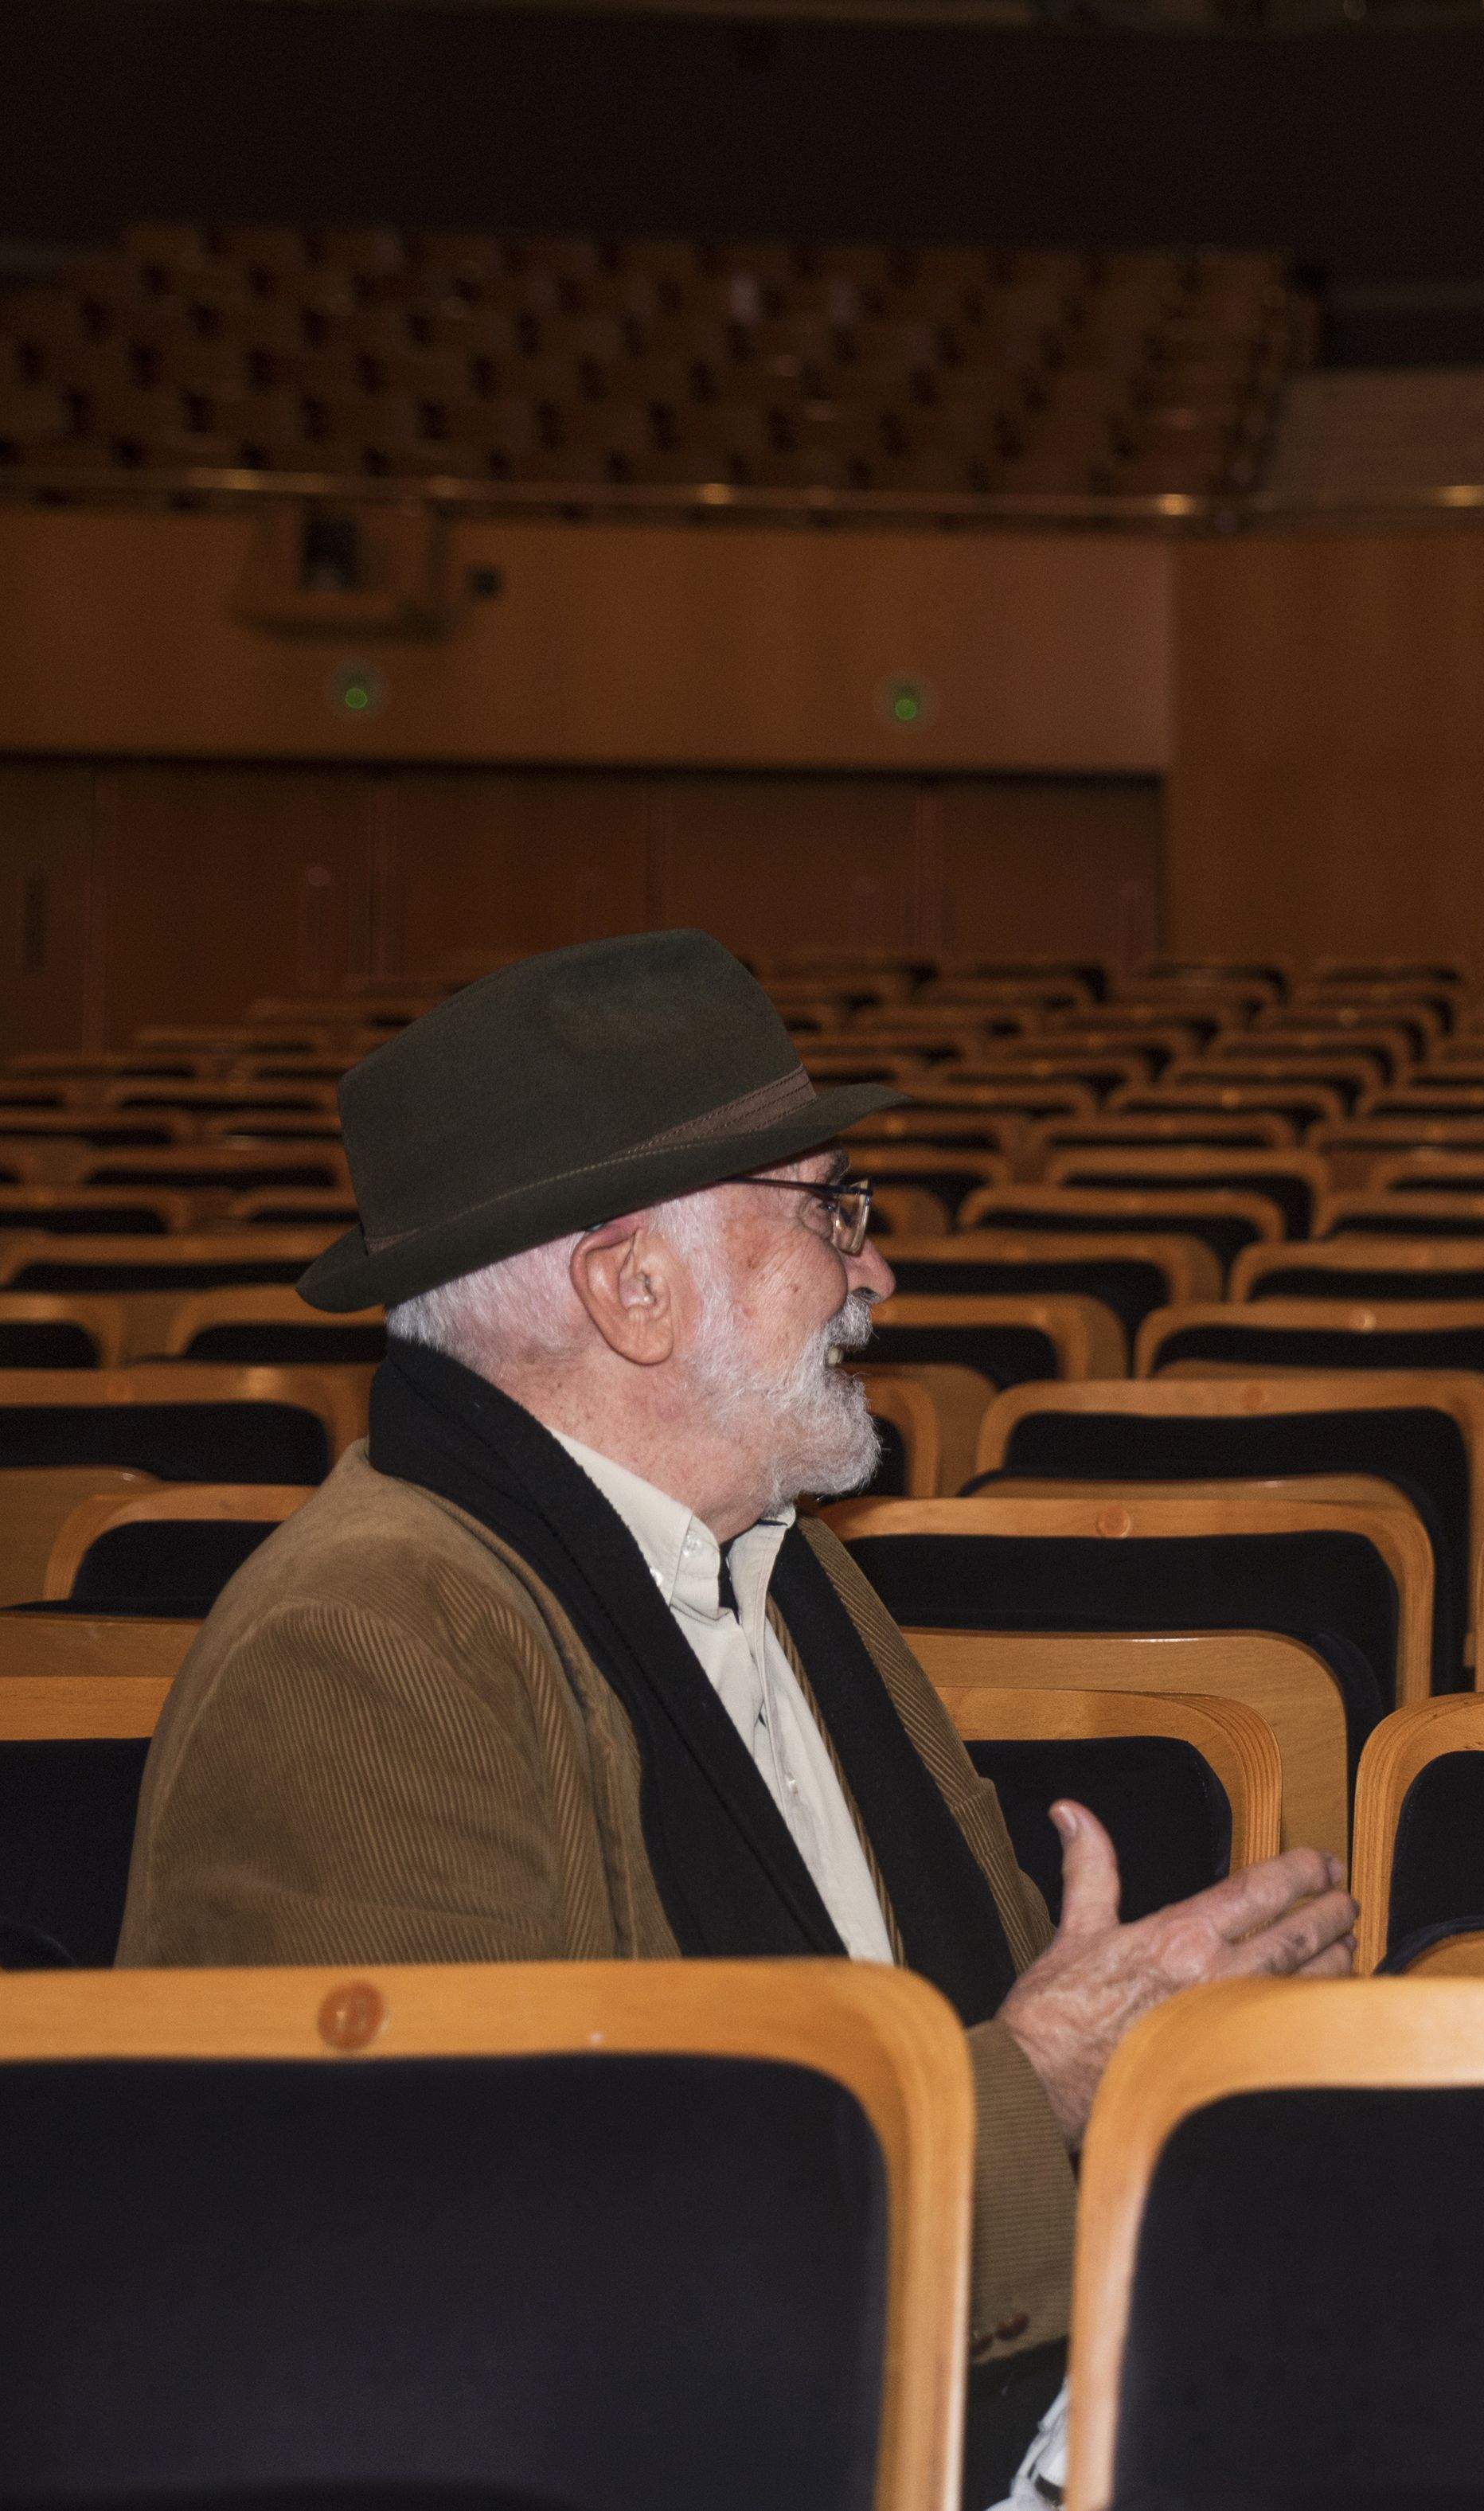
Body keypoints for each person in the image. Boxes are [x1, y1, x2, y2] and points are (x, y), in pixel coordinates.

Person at [119, 931, 1358, 2508]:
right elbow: (461, 2272)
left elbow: (981, 2015)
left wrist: (1151, 2042)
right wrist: (1038, 2082)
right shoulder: (365, 1643)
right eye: (831, 1208)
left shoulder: (785, 1568)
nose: (876, 1271)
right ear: (632, 1288)